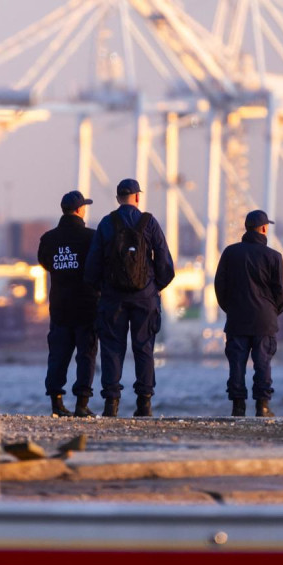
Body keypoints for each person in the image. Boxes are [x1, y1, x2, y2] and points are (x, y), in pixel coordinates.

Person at [84, 178, 175, 418]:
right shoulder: (149, 222)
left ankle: (111, 404)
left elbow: (92, 265)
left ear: (117, 199)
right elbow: (165, 261)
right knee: (144, 348)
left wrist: (102, 288)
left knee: (112, 349)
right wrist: (154, 287)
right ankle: (144, 404)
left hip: (113, 298)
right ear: (137, 197)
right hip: (145, 298)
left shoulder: (106, 223)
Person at [213, 209, 283, 417]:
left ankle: (238, 406)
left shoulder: (230, 253)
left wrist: (230, 308)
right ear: (264, 228)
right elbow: (280, 292)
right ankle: (262, 407)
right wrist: (273, 312)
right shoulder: (274, 256)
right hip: (265, 320)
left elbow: (220, 285)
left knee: (237, 364)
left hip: (237, 319)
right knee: (263, 363)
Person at [37, 190, 100, 417]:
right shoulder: (92, 238)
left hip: (60, 307)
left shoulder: (49, 239)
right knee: (86, 355)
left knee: (58, 355)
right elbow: (99, 266)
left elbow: (45, 263)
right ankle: (82, 404)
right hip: (87, 306)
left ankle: (57, 403)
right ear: (80, 209)